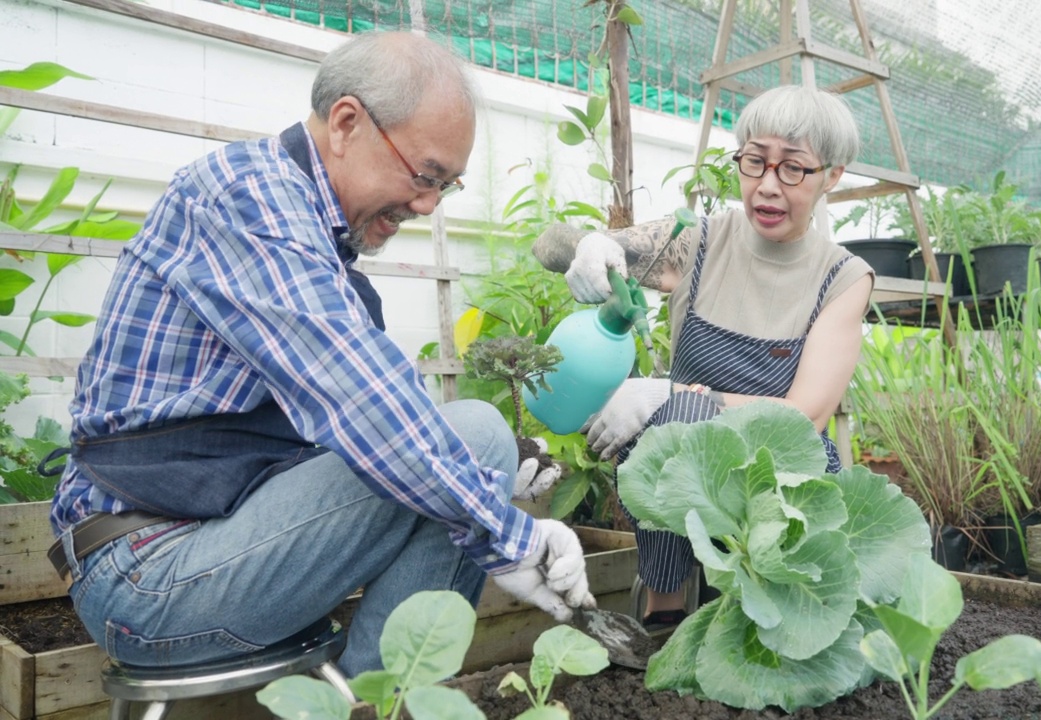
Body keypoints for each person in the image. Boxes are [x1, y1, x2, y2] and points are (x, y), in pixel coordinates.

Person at [47, 31, 593, 678]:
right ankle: (384, 703)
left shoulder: (307, 228)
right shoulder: (246, 199)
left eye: (447, 186)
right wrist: (513, 535)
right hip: (146, 573)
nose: (427, 205)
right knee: (472, 440)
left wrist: (499, 476)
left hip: (209, 538)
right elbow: (359, 400)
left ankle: (377, 703)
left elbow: (383, 405)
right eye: (425, 176)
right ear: (346, 123)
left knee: (468, 455)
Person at [533, 85, 874, 630]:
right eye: (755, 161)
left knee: (680, 414)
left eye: (792, 169)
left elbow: (804, 415)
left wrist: (663, 394)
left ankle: (743, 608)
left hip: (784, 485)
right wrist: (591, 247)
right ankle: (663, 614)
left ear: (831, 176)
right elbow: (550, 242)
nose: (766, 185)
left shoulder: (842, 277)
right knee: (676, 424)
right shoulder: (700, 241)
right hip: (684, 483)